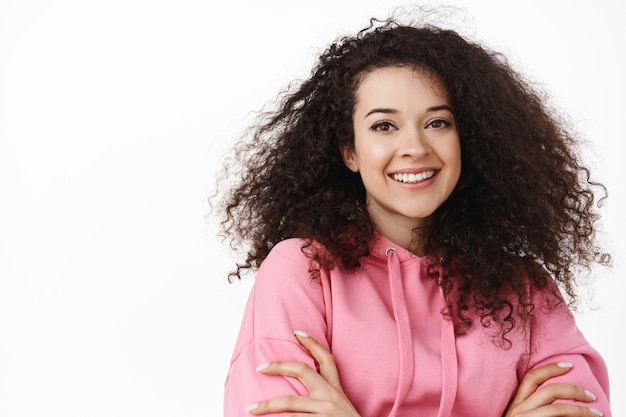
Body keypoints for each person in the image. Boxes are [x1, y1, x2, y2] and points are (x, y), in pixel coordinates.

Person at [215, 10, 612, 417]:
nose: (415, 147)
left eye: (438, 122)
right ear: (349, 151)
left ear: (468, 139)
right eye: (384, 126)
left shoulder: (525, 289)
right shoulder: (304, 270)